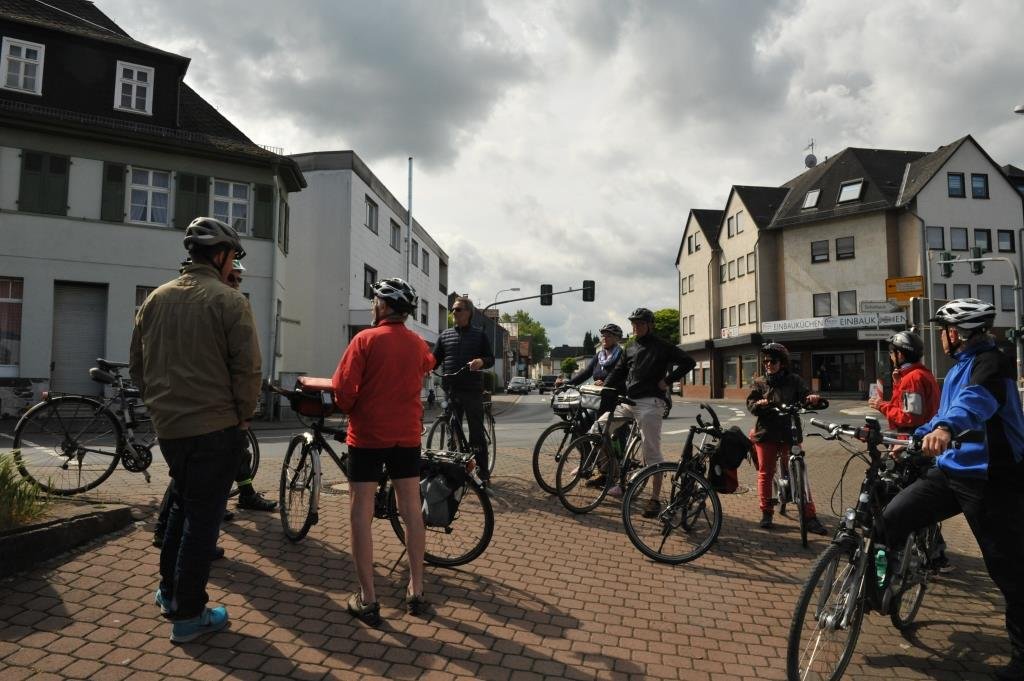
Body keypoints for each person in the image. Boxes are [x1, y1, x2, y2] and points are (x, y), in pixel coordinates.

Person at [879, 299, 1024, 680]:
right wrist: (916, 437)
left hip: (992, 478)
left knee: (1008, 568)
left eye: (944, 330)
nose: (941, 337)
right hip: (952, 471)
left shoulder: (993, 363)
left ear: (956, 334)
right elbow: (947, 411)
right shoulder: (960, 366)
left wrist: (944, 429)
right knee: (891, 517)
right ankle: (876, 589)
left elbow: (972, 405)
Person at [130, 217, 260, 643]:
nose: (233, 266)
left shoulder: (155, 299)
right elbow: (246, 369)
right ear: (221, 255)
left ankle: (170, 593)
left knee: (184, 508)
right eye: (233, 258)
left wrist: (159, 407)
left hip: (170, 428)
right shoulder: (229, 301)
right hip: (216, 426)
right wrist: (244, 414)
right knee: (203, 521)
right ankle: (188, 614)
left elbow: (138, 366)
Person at [151, 261, 276, 552]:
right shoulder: (219, 304)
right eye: (231, 277)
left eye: (239, 280)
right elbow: (244, 365)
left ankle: (172, 563)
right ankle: (179, 555)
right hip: (209, 413)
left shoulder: (169, 299)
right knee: (191, 489)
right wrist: (245, 412)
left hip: (191, 410)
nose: (235, 284)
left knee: (189, 482)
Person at [332, 278, 435, 625]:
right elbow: (427, 365)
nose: (373, 306)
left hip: (368, 435)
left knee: (360, 510)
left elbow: (343, 389)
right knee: (411, 509)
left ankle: (368, 598)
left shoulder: (364, 339)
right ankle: (416, 591)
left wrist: (351, 407)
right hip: (406, 436)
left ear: (384, 306)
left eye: (376, 301)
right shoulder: (417, 343)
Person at [604, 308, 695, 516]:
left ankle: (654, 500)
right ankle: (615, 474)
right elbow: (619, 371)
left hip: (651, 403)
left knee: (651, 452)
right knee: (599, 427)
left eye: (640, 323)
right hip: (630, 401)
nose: (635, 326)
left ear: (650, 325)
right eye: (633, 323)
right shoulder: (630, 347)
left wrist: (667, 381)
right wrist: (605, 388)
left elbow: (689, 362)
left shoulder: (663, 346)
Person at [746, 342, 828, 534]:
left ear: (782, 363)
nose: (767, 364)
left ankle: (809, 516)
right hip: (766, 433)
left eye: (772, 360)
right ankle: (766, 512)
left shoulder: (795, 380)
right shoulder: (759, 382)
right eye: (765, 360)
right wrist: (759, 404)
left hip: (790, 432)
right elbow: (750, 405)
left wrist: (812, 399)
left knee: (800, 472)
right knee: (766, 472)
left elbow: (806, 396)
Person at [432, 296, 495, 483]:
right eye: (453, 309)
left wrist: (481, 361)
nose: (454, 312)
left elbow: (490, 358)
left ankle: (483, 472)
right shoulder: (444, 335)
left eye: (458, 309)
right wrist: (424, 366)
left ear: (468, 312)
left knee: (476, 432)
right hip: (451, 388)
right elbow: (434, 359)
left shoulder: (479, 334)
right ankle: (453, 470)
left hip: (472, 389)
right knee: (453, 430)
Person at [561, 323, 625, 389]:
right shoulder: (598, 356)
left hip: (617, 396)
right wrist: (566, 384)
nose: (604, 338)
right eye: (603, 336)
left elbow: (621, 376)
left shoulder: (622, 355)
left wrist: (605, 384)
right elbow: (586, 374)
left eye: (608, 336)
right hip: (597, 396)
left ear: (617, 338)